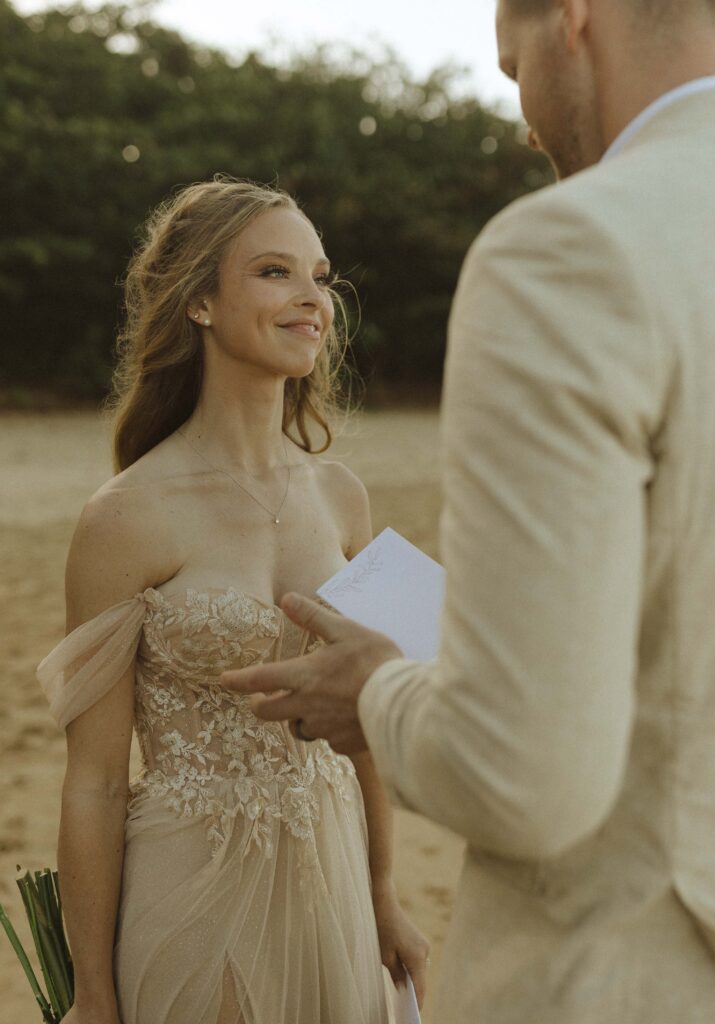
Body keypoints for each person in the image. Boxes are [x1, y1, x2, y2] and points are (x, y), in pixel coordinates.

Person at [219, 1, 715, 1021]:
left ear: (571, 17)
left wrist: (377, 690)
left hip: (628, 969)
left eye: (510, 72)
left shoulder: (572, 250)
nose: (526, 124)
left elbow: (525, 776)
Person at [37, 177, 428, 1024]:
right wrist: (94, 994)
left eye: (319, 276)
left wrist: (385, 896)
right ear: (201, 304)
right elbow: (97, 783)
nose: (311, 299)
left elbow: (366, 737)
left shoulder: (342, 496)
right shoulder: (124, 518)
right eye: (275, 273)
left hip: (335, 884)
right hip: (191, 894)